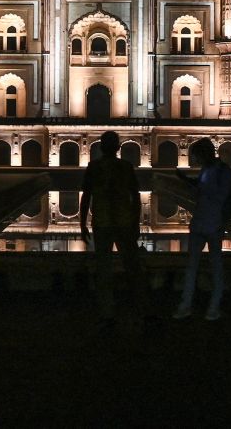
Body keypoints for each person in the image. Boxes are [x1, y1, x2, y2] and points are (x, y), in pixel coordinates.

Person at [80, 130, 150, 328]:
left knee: (104, 267)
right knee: (132, 266)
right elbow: (135, 197)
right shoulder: (125, 167)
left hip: (102, 222)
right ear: (118, 147)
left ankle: (107, 310)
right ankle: (138, 307)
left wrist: (82, 223)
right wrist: (136, 222)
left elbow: (86, 196)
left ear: (101, 147)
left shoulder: (94, 167)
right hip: (123, 222)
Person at [173, 138, 231, 321]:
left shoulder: (222, 172)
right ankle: (189, 305)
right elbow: (203, 190)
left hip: (213, 224)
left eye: (197, 156)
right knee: (194, 266)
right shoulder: (209, 170)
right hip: (201, 222)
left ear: (205, 154)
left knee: (214, 266)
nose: (196, 160)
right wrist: (186, 180)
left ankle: (212, 307)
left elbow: (229, 198)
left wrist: (224, 222)